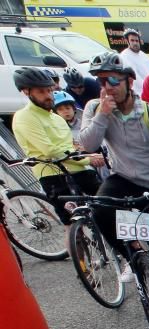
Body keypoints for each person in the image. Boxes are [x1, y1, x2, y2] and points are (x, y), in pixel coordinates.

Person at [78, 52, 149, 274]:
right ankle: (133, 257)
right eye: (102, 81)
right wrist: (103, 115)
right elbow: (88, 144)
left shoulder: (148, 111)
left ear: (130, 81)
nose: (108, 86)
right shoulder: (95, 108)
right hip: (123, 178)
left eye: (114, 80)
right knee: (99, 209)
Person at [12, 67, 102, 225]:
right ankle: (76, 246)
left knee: (109, 205)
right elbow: (50, 151)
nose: (48, 96)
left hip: (78, 170)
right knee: (72, 224)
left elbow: (71, 147)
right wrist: (88, 160)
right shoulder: (24, 117)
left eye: (49, 91)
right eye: (41, 92)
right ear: (27, 92)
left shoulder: (57, 118)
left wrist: (86, 155)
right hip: (53, 175)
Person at [118, 28, 149, 96]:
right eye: (132, 40)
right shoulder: (124, 56)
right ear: (127, 41)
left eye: (137, 40)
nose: (135, 43)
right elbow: (135, 79)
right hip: (142, 93)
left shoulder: (142, 54)